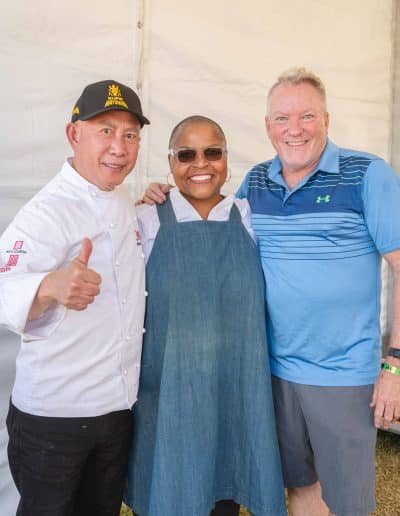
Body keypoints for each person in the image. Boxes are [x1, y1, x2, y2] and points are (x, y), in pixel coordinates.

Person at [142, 68, 400, 516]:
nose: (294, 129)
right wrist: (162, 194)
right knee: (298, 486)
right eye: (282, 118)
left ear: (326, 119)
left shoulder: (367, 174)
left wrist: (395, 363)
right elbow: (213, 220)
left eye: (306, 116)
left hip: (341, 376)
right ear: (267, 127)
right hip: (271, 372)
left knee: (348, 502)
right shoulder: (255, 186)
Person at [0, 79, 150, 516]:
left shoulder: (121, 198)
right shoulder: (46, 212)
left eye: (130, 134)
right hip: (55, 420)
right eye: (105, 130)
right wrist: (50, 286)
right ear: (74, 134)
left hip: (116, 411)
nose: (118, 147)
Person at [124, 115, 286, 516]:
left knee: (224, 490)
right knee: (171, 486)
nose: (201, 164)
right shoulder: (144, 221)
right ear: (170, 162)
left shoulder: (250, 217)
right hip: (170, 390)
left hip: (236, 387)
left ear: (227, 160)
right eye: (187, 154)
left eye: (212, 152)